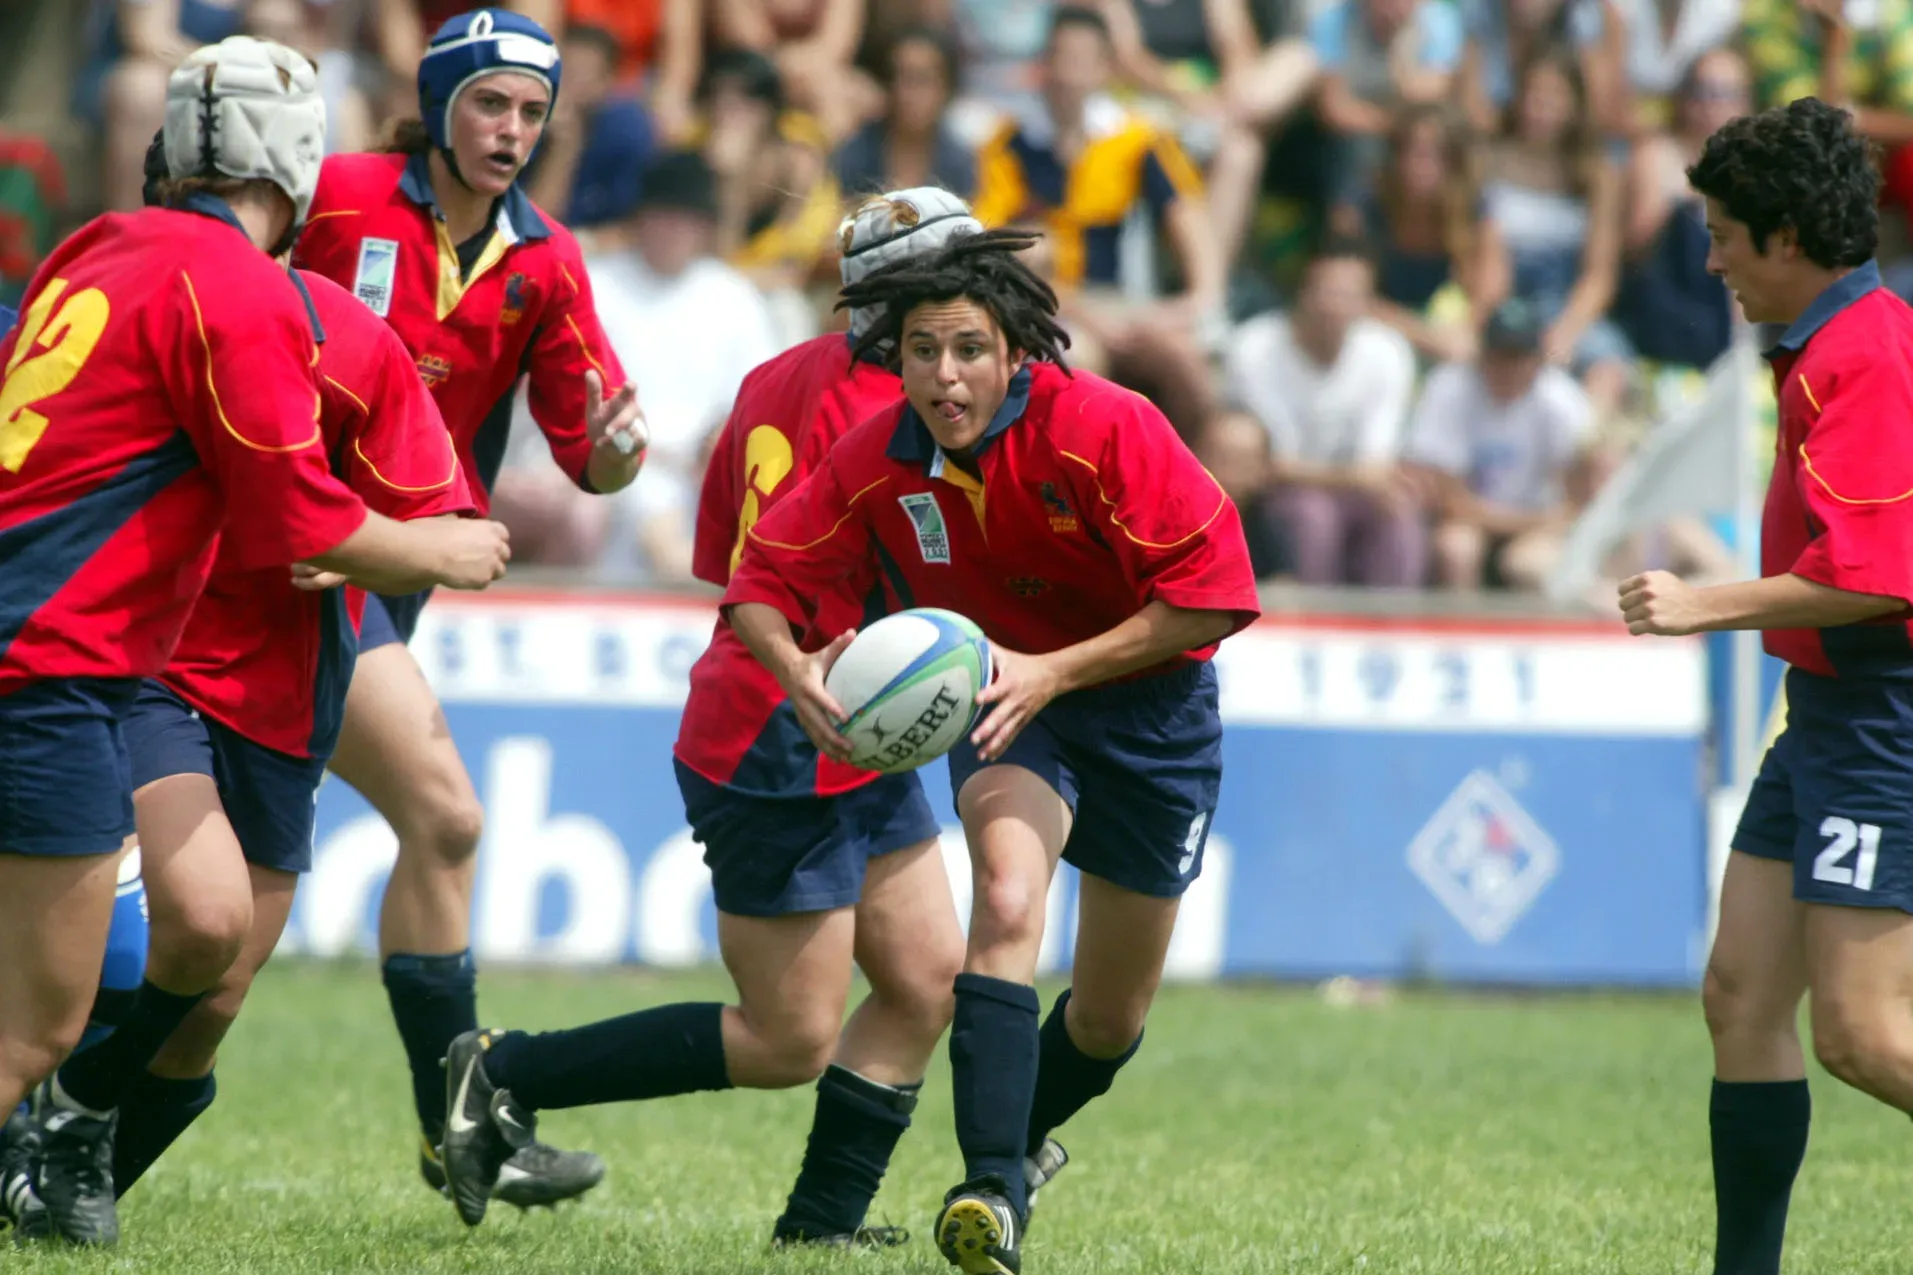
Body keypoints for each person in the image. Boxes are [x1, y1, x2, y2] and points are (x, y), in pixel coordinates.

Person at [0, 34, 512, 1247]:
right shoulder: (236, 292)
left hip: (130, 668)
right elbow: (299, 516)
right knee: (35, 1026)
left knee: (203, 961)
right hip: (59, 661)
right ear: (299, 164)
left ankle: (65, 1172)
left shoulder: (96, 247)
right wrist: (439, 552)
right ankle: (52, 1148)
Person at [426, 189, 977, 1246]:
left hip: (847, 714)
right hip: (781, 730)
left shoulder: (778, 375)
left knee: (924, 981)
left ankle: (819, 1227)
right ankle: (503, 1070)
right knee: (788, 1038)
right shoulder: (898, 419)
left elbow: (719, 550)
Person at [726, 229, 1260, 1273]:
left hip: (1150, 718)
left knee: (1105, 1021)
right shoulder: (876, 458)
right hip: (1009, 709)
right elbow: (758, 582)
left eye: (968, 349)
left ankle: (1014, 1152)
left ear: (1015, 351)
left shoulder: (1104, 426)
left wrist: (1054, 668)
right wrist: (795, 671)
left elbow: (1214, 597)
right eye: (921, 351)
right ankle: (988, 1194)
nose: (944, 376)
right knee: (1007, 901)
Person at [290, 7, 647, 1207]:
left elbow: (590, 454)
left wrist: (617, 453)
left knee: (250, 880)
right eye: (489, 103)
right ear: (439, 105)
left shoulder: (546, 259)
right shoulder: (337, 197)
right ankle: (463, 1122)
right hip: (287, 566)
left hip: (391, 584)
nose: (511, 130)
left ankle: (73, 1107)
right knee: (441, 818)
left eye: (533, 112)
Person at [1619, 97, 1913, 1275]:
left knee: (1862, 1034)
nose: (1710, 262)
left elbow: (1875, 580)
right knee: (1739, 996)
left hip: (1882, 716)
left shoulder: (1864, 356)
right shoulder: (1830, 345)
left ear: (1785, 237)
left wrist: (1703, 602)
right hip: (1826, 716)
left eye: (1722, 236)